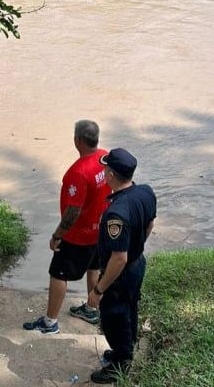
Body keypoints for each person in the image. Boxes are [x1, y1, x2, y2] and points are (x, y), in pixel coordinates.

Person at [23, 119, 111, 334]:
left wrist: (57, 235)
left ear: (77, 140)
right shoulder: (105, 157)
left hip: (78, 236)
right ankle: (91, 309)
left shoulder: (78, 173)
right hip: (100, 230)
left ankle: (50, 322)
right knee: (94, 267)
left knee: (58, 274)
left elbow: (73, 212)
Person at [86, 148, 157, 384]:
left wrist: (98, 290)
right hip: (138, 264)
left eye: (106, 168)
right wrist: (138, 245)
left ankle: (120, 363)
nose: (103, 170)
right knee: (130, 308)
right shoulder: (146, 193)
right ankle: (125, 349)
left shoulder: (116, 213)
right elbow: (149, 224)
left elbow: (119, 258)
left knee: (113, 317)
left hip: (120, 273)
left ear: (111, 175)